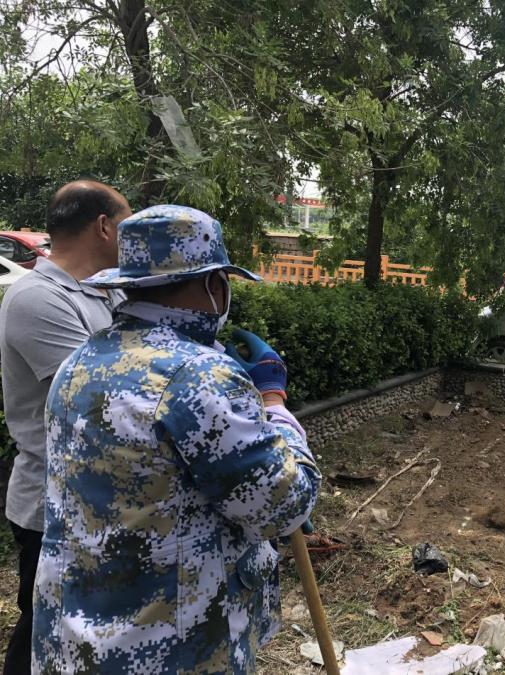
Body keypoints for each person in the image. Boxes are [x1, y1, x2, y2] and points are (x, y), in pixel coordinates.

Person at [32, 205, 321, 673]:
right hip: (173, 646)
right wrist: (274, 404)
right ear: (213, 284)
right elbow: (285, 504)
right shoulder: (200, 375)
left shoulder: (80, 362)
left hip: (80, 639)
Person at [0, 180, 131, 674]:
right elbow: (104, 401)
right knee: (43, 633)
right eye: (127, 224)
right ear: (103, 226)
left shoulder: (109, 289)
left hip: (98, 500)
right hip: (53, 505)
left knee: (90, 632)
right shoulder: (39, 298)